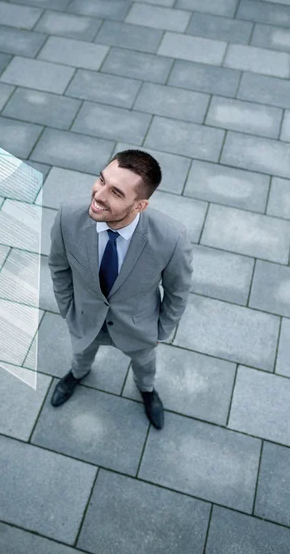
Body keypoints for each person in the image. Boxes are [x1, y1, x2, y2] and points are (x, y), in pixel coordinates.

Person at [48, 150, 193, 430]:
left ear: (139, 206)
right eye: (101, 180)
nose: (99, 195)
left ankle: (147, 391)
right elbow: (58, 267)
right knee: (81, 354)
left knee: (145, 365)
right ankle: (78, 374)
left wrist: (161, 331)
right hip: (85, 317)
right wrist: (67, 309)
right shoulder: (69, 216)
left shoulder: (172, 239)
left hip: (139, 327)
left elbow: (178, 292)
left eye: (115, 192)